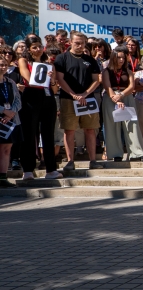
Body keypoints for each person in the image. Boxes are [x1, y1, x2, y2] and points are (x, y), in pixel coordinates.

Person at [54, 32, 103, 171]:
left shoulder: (90, 60)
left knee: (90, 130)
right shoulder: (62, 58)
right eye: (77, 43)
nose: (80, 46)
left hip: (88, 100)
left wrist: (85, 94)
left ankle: (93, 160)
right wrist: (74, 94)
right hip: (68, 99)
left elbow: (96, 80)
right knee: (69, 131)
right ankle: (70, 161)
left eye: (82, 43)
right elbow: (60, 79)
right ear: (70, 42)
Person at [18, 36, 60, 180]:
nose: (37, 49)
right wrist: (42, 79)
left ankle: (51, 169)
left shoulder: (48, 64)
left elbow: (54, 89)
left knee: (48, 134)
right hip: (31, 98)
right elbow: (29, 80)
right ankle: (28, 170)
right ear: (29, 49)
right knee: (29, 134)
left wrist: (52, 78)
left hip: (48, 98)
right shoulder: (23, 61)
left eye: (39, 46)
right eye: (34, 47)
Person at [101, 46, 143, 162]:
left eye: (123, 58)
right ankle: (116, 154)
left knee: (132, 125)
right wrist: (115, 98)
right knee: (112, 126)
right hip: (110, 98)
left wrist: (121, 96)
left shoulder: (128, 71)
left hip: (126, 96)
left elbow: (131, 86)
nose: (121, 60)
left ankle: (137, 153)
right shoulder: (106, 71)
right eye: (119, 58)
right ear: (113, 58)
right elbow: (107, 86)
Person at [0, 56, 23, 187]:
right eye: (0, 65)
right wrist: (3, 110)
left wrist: (11, 113)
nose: (3, 67)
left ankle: (3, 178)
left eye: (5, 65)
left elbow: (18, 101)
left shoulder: (10, 82)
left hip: (10, 121)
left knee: (6, 149)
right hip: (1, 117)